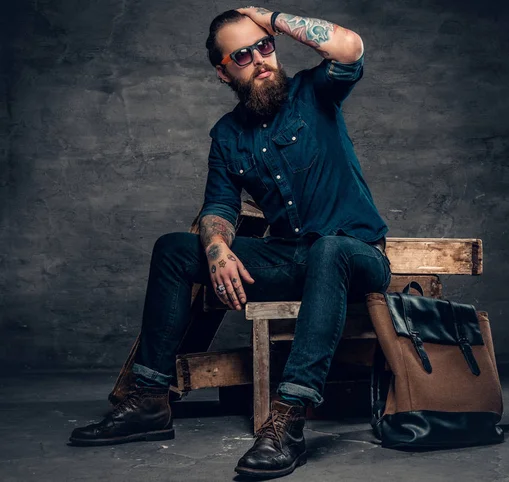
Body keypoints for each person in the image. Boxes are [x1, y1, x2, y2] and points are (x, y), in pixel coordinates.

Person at [69, 6, 391, 478]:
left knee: (329, 248)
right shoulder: (226, 136)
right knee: (175, 247)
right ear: (223, 72)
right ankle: (150, 402)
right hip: (288, 260)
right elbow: (219, 206)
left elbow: (350, 47)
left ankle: (289, 419)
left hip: (356, 254)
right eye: (243, 54)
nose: (260, 58)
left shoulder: (313, 93)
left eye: (264, 47)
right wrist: (218, 250)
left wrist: (268, 16)